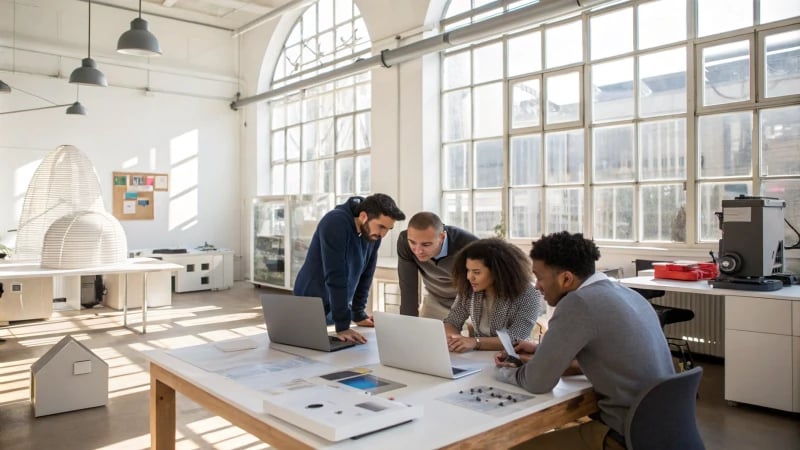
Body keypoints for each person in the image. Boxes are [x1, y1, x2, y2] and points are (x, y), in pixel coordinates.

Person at [493, 231, 674, 450]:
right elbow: (610, 355)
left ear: (566, 279)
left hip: (624, 436)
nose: (536, 286)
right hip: (661, 429)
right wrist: (541, 350)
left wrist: (507, 371)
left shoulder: (578, 303)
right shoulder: (627, 294)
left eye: (539, 277)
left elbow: (536, 383)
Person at [293, 193, 405, 344]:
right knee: (307, 354)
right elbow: (335, 274)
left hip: (337, 303)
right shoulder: (335, 222)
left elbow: (366, 274)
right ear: (364, 216)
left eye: (388, 229)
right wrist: (343, 325)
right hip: (310, 301)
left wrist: (358, 313)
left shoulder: (372, 235)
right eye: (381, 226)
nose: (383, 234)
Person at [444, 238, 545, 352]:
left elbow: (516, 337)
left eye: (476, 272)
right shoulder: (470, 289)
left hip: (512, 357)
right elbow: (452, 321)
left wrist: (475, 342)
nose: (469, 277)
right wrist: (453, 339)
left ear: (498, 272)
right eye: (468, 270)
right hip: (477, 357)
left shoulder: (529, 294)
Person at [397, 212, 478, 319]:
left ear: (442, 237)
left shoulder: (470, 245)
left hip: (469, 302)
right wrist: (407, 322)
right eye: (412, 242)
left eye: (426, 244)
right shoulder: (404, 242)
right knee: (418, 333)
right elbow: (408, 287)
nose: (418, 251)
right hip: (435, 300)